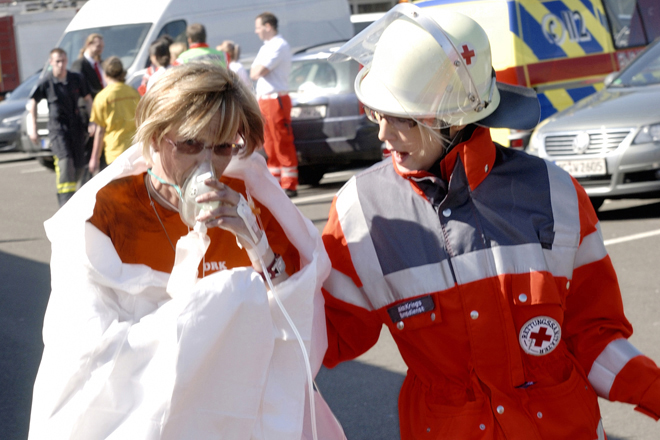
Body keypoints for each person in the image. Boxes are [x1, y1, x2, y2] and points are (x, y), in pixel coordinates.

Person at [320, 5, 660, 440]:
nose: (383, 134)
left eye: (399, 117)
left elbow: (593, 337)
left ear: (452, 116)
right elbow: (323, 336)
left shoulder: (554, 194)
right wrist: (257, 249)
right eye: (375, 113)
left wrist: (652, 391)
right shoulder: (361, 212)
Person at [27, 63, 343, 439]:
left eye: (224, 147)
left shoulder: (252, 204)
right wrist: (208, 314)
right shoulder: (106, 213)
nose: (208, 164)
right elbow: (87, 357)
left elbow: (298, 327)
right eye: (191, 144)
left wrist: (257, 245)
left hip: (242, 418)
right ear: (156, 134)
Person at [28, 48, 92, 207]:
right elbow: (32, 103)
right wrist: (32, 128)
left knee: (79, 166)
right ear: (51, 63)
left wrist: (92, 121)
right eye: (57, 61)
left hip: (76, 128)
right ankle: (65, 203)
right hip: (58, 129)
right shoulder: (46, 82)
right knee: (65, 162)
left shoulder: (76, 78)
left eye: (63, 61)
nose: (61, 64)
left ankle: (73, 198)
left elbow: (88, 99)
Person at [251, 12, 298, 197]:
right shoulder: (266, 47)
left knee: (282, 141)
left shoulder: (279, 45)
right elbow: (254, 71)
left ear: (268, 26)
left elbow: (258, 71)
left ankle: (289, 183)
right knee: (269, 144)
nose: (256, 31)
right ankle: (276, 180)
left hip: (276, 99)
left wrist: (257, 70)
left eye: (258, 27)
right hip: (265, 100)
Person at [88, 56, 140, 174]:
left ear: (105, 74)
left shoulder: (102, 97)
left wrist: (94, 158)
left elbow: (100, 131)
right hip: (134, 149)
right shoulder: (133, 92)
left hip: (114, 152)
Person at [71, 33, 105, 180]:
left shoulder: (99, 64)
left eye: (101, 46)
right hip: (90, 115)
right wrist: (90, 118)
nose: (100, 49)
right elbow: (79, 94)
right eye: (97, 46)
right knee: (89, 155)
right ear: (89, 45)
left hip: (101, 111)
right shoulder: (80, 65)